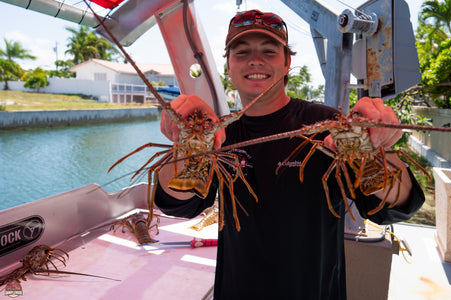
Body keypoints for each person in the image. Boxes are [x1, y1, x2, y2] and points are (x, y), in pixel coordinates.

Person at [155, 9, 425, 300]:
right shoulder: (220, 133)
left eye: (269, 51)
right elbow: (180, 204)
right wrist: (183, 145)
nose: (255, 60)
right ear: (229, 67)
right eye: (242, 52)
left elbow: (387, 207)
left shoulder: (325, 123)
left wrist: (379, 145)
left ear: (287, 64)